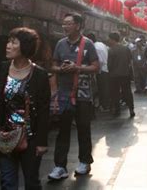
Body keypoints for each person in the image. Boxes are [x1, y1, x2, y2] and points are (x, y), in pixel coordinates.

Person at [0, 27, 50, 190]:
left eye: (13, 42)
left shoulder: (40, 75)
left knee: (31, 182)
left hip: (30, 138)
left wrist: (42, 142)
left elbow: (44, 111)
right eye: (9, 41)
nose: (8, 46)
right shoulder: (2, 68)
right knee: (7, 182)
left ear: (26, 46)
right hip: (5, 134)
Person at [48, 13, 99, 180]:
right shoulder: (60, 44)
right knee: (63, 130)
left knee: (83, 128)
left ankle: (85, 161)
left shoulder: (88, 44)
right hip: (64, 93)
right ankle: (60, 166)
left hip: (83, 94)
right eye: (63, 23)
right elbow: (53, 65)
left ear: (77, 25)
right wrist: (61, 69)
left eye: (68, 23)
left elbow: (95, 67)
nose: (65, 26)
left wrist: (77, 68)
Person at [107, 32, 136, 117]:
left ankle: (117, 110)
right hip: (125, 74)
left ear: (112, 40)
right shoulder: (126, 48)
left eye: (109, 39)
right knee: (127, 92)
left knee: (115, 93)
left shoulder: (111, 50)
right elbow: (130, 61)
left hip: (114, 75)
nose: (108, 40)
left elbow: (109, 65)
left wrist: (110, 71)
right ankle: (131, 109)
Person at [86, 33, 110, 111]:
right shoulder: (101, 44)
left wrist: (95, 71)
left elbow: (100, 61)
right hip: (105, 69)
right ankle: (104, 104)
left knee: (103, 89)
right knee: (104, 88)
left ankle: (104, 106)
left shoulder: (95, 47)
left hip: (102, 71)